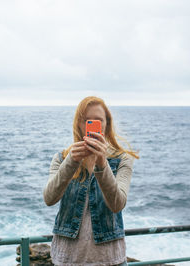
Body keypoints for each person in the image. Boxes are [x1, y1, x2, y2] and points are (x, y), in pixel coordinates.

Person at [43, 96, 139, 266]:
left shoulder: (123, 159)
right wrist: (71, 162)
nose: (93, 125)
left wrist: (102, 164)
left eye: (98, 120)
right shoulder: (61, 158)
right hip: (67, 259)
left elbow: (117, 204)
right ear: (79, 124)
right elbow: (49, 198)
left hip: (109, 260)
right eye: (87, 121)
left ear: (106, 124)